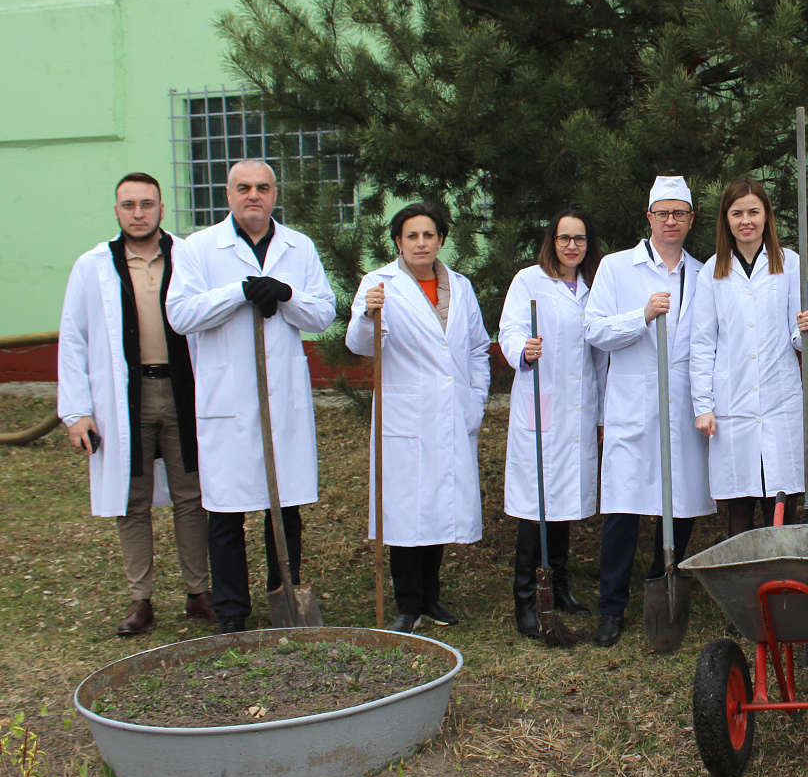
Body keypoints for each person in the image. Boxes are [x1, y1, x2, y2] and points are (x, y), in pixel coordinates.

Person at [165, 159, 337, 634]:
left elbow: (323, 313)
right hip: (229, 398)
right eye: (244, 188)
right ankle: (232, 611)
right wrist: (240, 292)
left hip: (282, 398)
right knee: (226, 510)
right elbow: (180, 314)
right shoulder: (200, 248)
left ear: (275, 194)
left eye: (262, 187)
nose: (253, 196)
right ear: (229, 194)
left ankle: (285, 592)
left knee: (284, 506)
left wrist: (284, 293)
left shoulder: (299, 247)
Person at [57, 172, 212, 636]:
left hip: (184, 391)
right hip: (126, 397)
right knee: (132, 498)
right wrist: (77, 412)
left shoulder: (188, 256)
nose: (139, 213)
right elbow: (73, 338)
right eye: (129, 205)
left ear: (162, 209)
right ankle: (140, 599)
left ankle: (198, 592)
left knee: (192, 494)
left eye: (147, 204)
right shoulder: (93, 266)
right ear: (117, 211)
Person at [347, 202, 490, 634]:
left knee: (440, 506)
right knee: (406, 511)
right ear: (398, 242)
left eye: (428, 235)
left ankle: (431, 596)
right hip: (405, 414)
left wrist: (476, 399)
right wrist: (370, 315)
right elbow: (360, 345)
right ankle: (408, 602)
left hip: (450, 412)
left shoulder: (460, 287)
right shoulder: (379, 284)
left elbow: (478, 347)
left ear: (441, 240)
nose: (421, 243)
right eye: (411, 236)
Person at [584, 176, 714, 648]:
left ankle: (663, 587)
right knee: (623, 508)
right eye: (664, 213)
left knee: (679, 506)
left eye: (680, 213)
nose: (672, 221)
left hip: (683, 407)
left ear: (692, 220)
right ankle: (611, 608)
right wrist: (639, 316)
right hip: (633, 405)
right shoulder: (619, 269)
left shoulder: (703, 274)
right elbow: (595, 330)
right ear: (649, 218)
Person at [498, 209, 606, 639]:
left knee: (563, 501)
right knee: (535, 504)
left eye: (579, 238)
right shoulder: (529, 281)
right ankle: (527, 596)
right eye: (564, 238)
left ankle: (560, 587)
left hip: (578, 409)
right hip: (541, 404)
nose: (572, 246)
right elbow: (508, 330)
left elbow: (600, 355)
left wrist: (600, 415)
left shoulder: (594, 287)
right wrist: (523, 349)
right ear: (552, 241)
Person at [691, 180, 808, 538]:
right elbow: (702, 343)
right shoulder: (712, 271)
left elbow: (806, 337)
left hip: (780, 401)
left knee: (783, 503)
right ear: (726, 220)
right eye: (737, 213)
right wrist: (702, 404)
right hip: (732, 402)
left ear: (766, 217)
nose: (745, 220)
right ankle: (743, 587)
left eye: (753, 212)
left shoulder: (790, 263)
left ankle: (786, 581)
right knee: (740, 505)